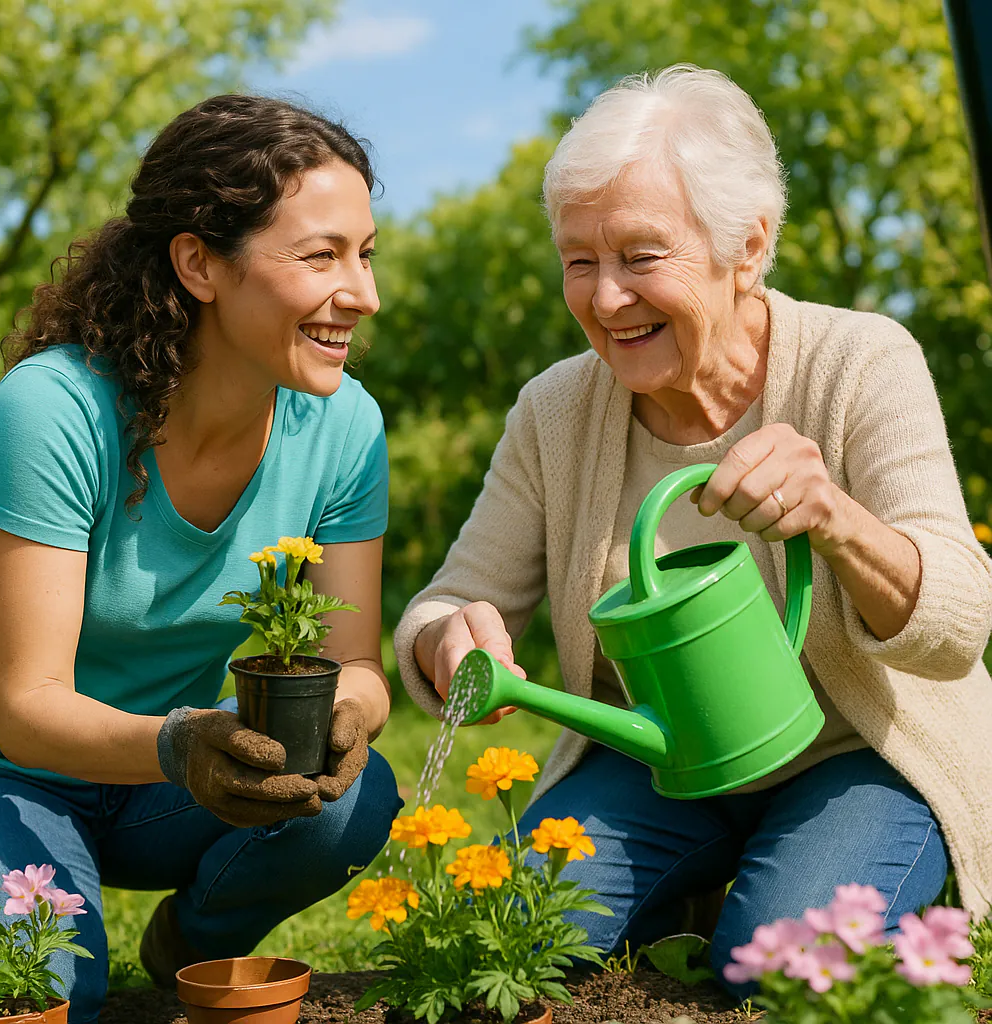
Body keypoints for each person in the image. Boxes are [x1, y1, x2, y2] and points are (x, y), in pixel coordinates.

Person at [394, 65, 992, 991]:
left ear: (746, 245)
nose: (605, 299)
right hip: (662, 761)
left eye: (640, 257)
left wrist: (836, 518)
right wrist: (446, 640)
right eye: (579, 262)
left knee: (773, 967)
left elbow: (960, 624)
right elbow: (450, 600)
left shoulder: (860, 361)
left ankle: (867, 870)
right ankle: (695, 886)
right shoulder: (555, 411)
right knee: (503, 936)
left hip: (861, 752)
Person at [0, 95, 402, 1023]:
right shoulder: (56, 410)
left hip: (177, 783)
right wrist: (179, 743)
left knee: (351, 803)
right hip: (4, 771)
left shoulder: (345, 427)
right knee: (41, 990)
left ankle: (192, 947)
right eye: (321, 256)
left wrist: (344, 719)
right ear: (199, 264)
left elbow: (359, 663)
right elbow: (26, 710)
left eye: (365, 254)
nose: (363, 293)